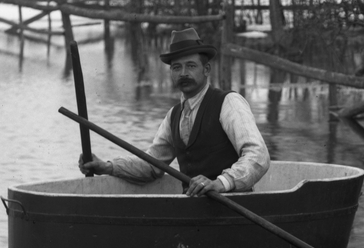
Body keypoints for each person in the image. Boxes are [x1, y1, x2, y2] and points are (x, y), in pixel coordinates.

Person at [79, 27, 270, 195]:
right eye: (177, 67)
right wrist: (107, 167)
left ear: (207, 69)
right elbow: (152, 165)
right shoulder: (174, 115)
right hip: (192, 211)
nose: (183, 73)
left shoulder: (228, 103)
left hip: (235, 210)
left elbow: (258, 155)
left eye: (191, 66)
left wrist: (222, 183)